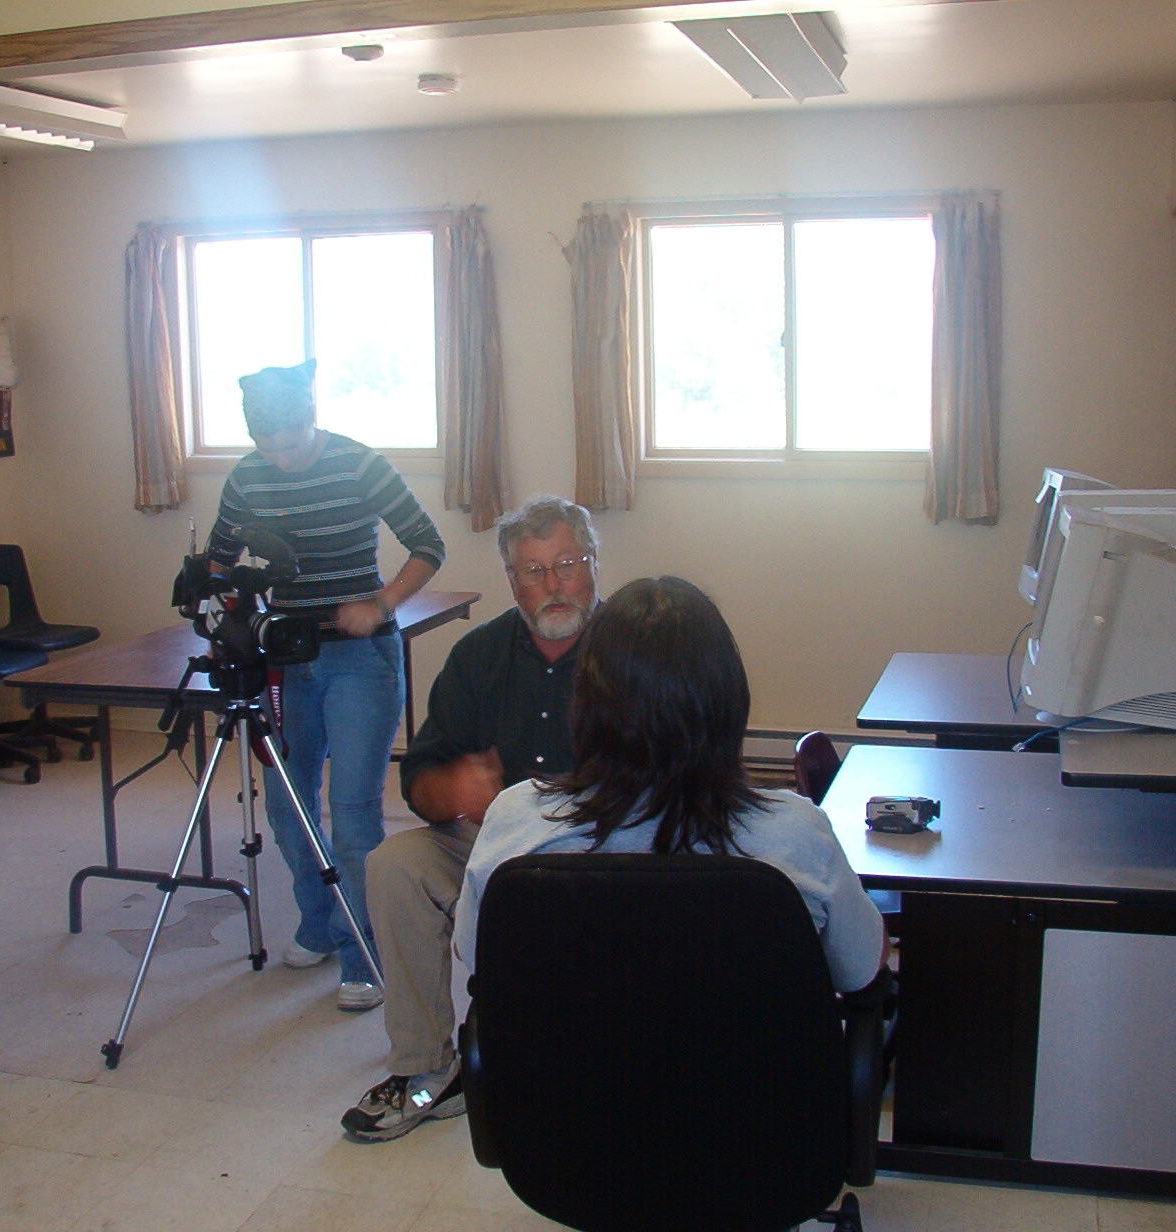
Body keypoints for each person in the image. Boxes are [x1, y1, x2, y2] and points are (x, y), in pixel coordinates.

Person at [453, 574, 889, 1004]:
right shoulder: (797, 834)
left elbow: (474, 956)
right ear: (728, 699)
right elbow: (862, 970)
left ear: (584, 701)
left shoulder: (515, 818)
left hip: (563, 1054)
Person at [340, 495, 600, 1142]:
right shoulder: (478, 656)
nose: (554, 584)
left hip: (604, 850)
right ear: (511, 580)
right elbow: (421, 781)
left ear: (594, 564)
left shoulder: (635, 650)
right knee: (396, 864)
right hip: (492, 843)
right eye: (534, 570)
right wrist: (450, 789)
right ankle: (427, 1070)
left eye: (568, 563)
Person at [207, 359, 445, 1012]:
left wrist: (381, 603)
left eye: (289, 445)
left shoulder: (360, 464)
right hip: (285, 660)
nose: (278, 460)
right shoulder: (247, 475)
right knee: (286, 804)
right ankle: (317, 922)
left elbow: (428, 544)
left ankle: (361, 951)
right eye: (266, 446)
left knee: (354, 809)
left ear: (311, 419)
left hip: (359, 657)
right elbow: (221, 557)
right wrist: (225, 601)